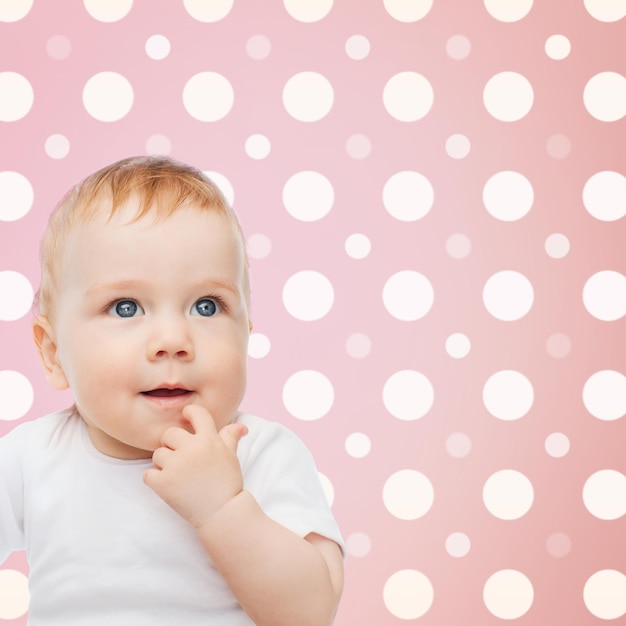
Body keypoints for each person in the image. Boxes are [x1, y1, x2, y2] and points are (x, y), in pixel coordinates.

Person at [0, 156, 344, 625]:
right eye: (125, 307)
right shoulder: (29, 458)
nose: (173, 342)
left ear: (246, 332)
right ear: (54, 354)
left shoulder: (259, 454)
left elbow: (309, 613)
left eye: (207, 306)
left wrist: (223, 508)